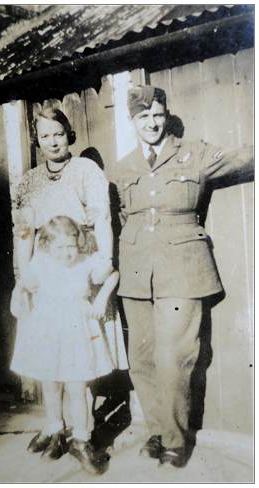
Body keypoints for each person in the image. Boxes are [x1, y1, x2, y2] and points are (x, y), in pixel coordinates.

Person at [113, 85, 253, 468]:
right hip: (138, 270)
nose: (152, 123)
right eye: (143, 117)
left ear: (166, 115)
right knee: (141, 357)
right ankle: (156, 431)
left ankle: (175, 438)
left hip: (183, 267)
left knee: (175, 355)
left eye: (157, 114)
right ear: (133, 121)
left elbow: (245, 158)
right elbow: (127, 217)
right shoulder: (123, 167)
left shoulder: (195, 154)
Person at [10, 103, 128, 471]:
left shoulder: (86, 170)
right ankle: (54, 427)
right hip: (46, 277)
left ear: (68, 134)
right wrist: (21, 280)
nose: (53, 142)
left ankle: (83, 433)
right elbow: (24, 232)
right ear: (37, 141)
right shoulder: (28, 181)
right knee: (50, 359)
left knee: (81, 360)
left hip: (80, 267)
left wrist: (105, 259)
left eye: (58, 134)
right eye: (44, 136)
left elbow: (102, 218)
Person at [11, 216, 121, 474]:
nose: (67, 253)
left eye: (71, 246)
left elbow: (112, 274)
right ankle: (55, 429)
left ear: (78, 242)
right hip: (48, 332)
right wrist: (23, 241)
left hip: (76, 333)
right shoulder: (40, 262)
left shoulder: (86, 262)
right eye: (59, 247)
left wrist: (101, 300)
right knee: (50, 384)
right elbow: (27, 281)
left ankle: (81, 440)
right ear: (47, 246)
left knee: (76, 387)